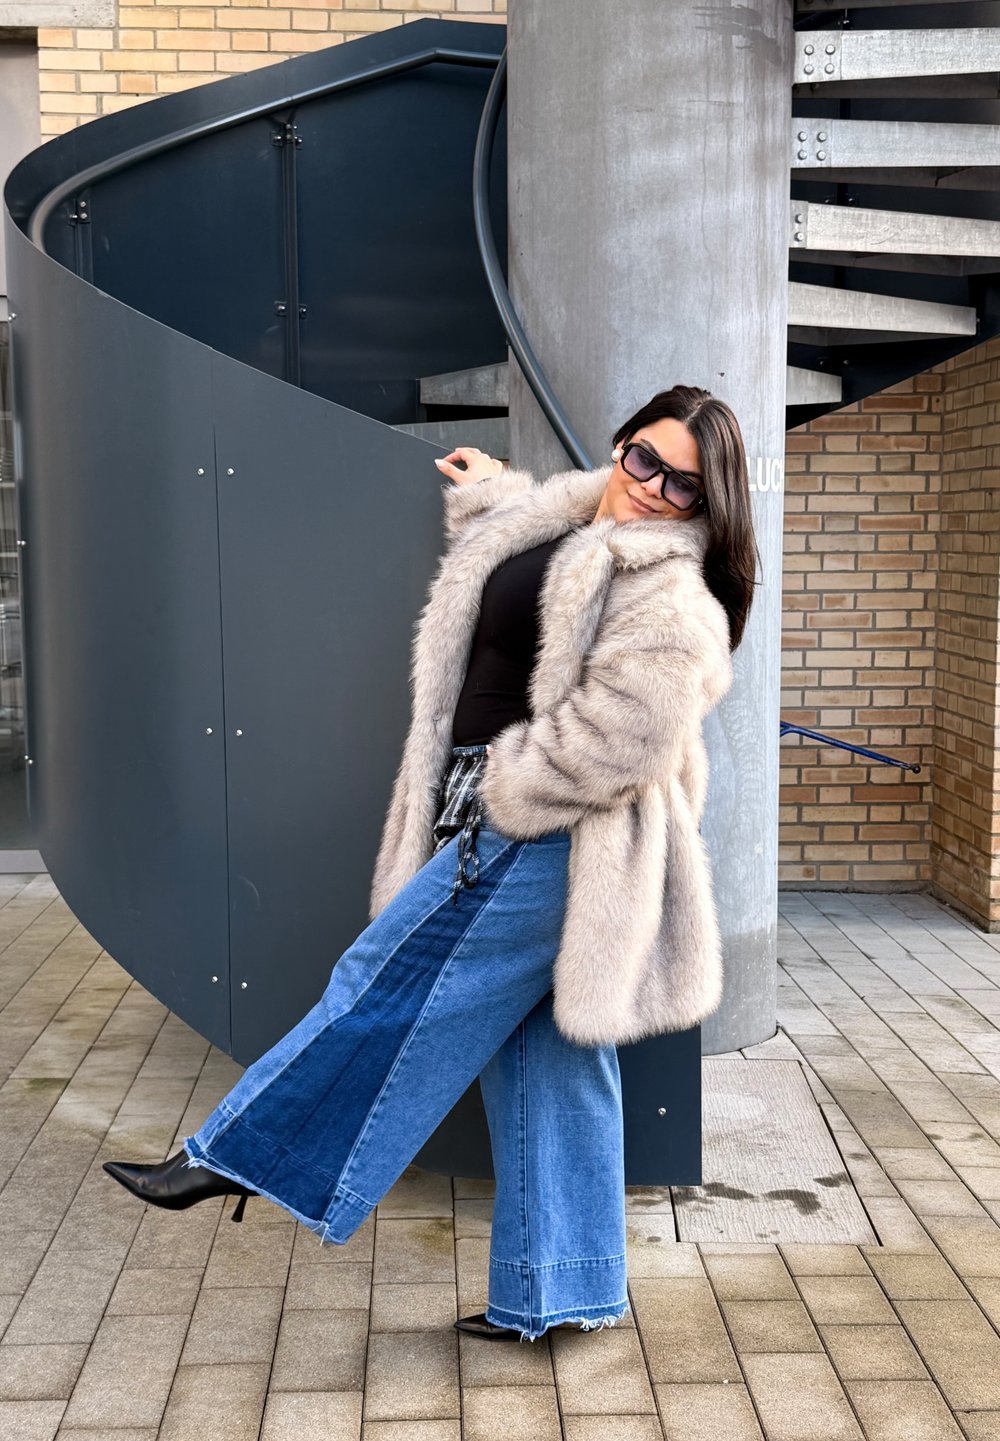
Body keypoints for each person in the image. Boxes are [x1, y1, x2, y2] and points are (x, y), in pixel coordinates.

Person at [104, 384, 758, 1342]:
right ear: (620, 445)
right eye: (645, 459)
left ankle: (239, 1153)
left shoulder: (670, 594)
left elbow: (628, 737)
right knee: (551, 1060)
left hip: (548, 837)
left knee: (384, 982)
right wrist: (497, 495)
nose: (655, 489)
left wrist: (509, 787)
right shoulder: (573, 521)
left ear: (707, 509)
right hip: (510, 825)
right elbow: (531, 589)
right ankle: (562, 1287)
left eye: (686, 487)